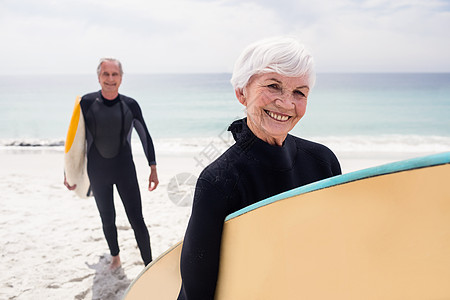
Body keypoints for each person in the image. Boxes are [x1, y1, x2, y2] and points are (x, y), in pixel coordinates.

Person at [177, 37, 342, 299]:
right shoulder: (219, 180)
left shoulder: (323, 162)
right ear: (241, 92)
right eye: (274, 86)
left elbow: (333, 250)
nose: (287, 103)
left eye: (299, 92)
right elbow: (197, 290)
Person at [64, 58, 159, 269]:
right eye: (105, 74)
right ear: (99, 77)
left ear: (121, 78)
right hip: (98, 172)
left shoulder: (130, 105)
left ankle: (148, 263)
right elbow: (74, 140)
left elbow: (145, 135)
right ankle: (115, 257)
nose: (110, 79)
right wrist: (68, 173)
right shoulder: (86, 103)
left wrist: (152, 167)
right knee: (107, 218)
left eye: (114, 74)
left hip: (125, 170)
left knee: (137, 219)